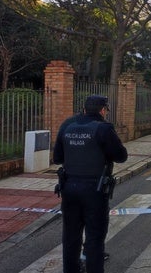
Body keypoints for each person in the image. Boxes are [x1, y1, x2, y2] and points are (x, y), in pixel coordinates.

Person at [53, 95, 128, 273]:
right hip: (95, 190)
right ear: (103, 110)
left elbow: (57, 158)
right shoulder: (103, 129)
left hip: (69, 188)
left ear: (84, 109)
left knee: (70, 237)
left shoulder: (67, 125)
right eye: (106, 110)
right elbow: (121, 156)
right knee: (94, 238)